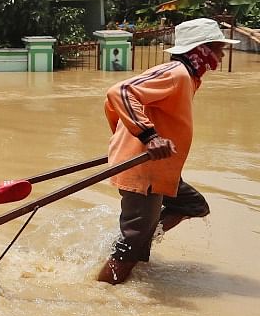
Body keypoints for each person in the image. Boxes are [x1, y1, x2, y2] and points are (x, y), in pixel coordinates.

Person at [97, 18, 238, 285]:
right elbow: (120, 92)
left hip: (159, 167)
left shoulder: (189, 79)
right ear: (202, 49)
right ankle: (105, 289)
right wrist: (147, 136)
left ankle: (138, 244)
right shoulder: (176, 73)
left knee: (192, 205)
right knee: (132, 239)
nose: (222, 53)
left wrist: (124, 134)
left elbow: (116, 105)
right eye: (219, 46)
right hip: (144, 168)